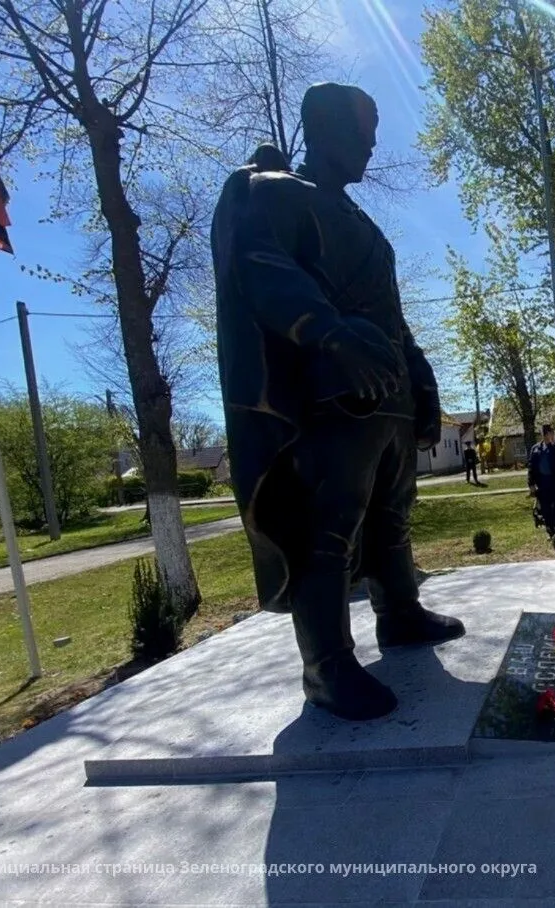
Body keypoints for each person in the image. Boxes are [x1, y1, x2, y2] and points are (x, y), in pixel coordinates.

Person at [212, 84, 461, 722]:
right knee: (330, 528)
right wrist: (325, 329)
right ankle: (326, 668)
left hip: (391, 400)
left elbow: (393, 317)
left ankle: (399, 614)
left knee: (392, 516)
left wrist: (422, 375)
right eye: (362, 132)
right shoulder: (275, 194)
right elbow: (263, 269)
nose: (372, 146)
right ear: (323, 131)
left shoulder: (363, 224)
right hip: (334, 398)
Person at [528, 425, 555, 536]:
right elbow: (531, 466)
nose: (547, 435)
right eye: (544, 433)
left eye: (549, 433)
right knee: (546, 508)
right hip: (542, 482)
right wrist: (531, 483)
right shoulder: (536, 448)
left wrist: (554, 443)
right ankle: (550, 530)